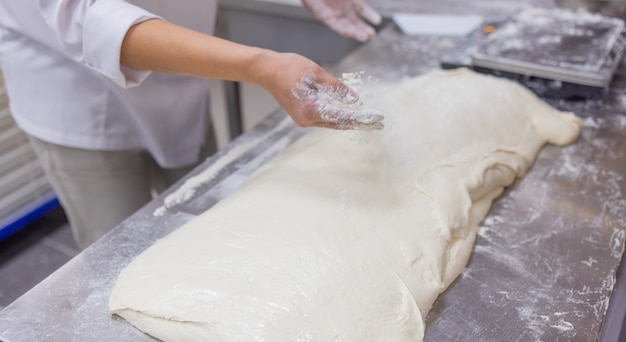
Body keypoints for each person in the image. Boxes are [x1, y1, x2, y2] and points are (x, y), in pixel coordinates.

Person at [0, 0, 384, 249]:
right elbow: (87, 17)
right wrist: (260, 66)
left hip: (183, 59)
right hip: (76, 90)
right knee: (117, 254)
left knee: (215, 230)